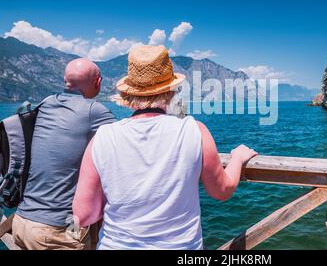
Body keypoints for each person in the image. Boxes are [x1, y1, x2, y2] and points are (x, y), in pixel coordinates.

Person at [73, 45, 257, 250]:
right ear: (171, 89)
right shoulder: (193, 130)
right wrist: (238, 158)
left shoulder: (103, 137)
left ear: (129, 92)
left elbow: (83, 215)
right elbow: (221, 191)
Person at [12, 58, 116, 250]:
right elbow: (129, 142)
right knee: (82, 233)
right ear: (98, 82)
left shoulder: (46, 103)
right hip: (56, 230)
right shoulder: (94, 110)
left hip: (21, 220)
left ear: (65, 81)